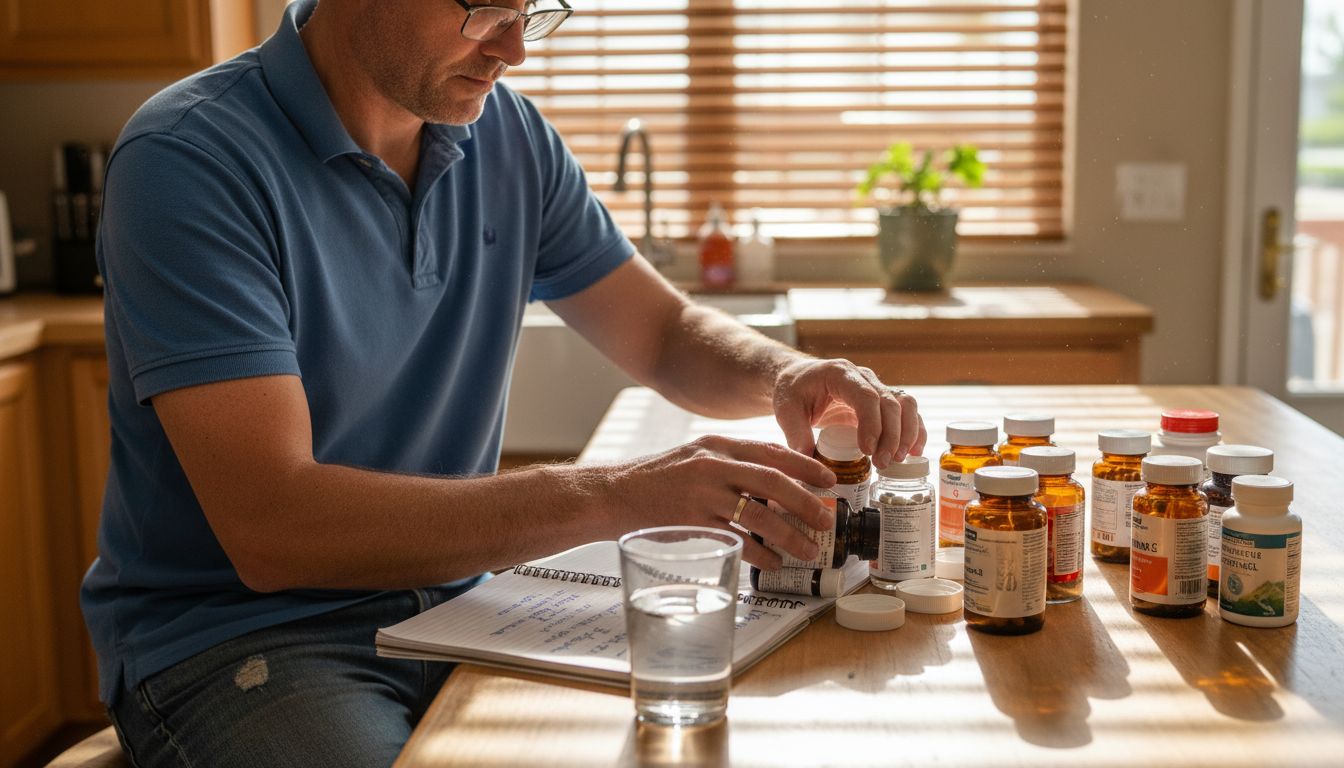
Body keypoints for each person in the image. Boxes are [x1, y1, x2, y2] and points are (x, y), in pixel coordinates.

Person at [83, 1, 927, 766]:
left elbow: (665, 335)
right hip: (241, 640)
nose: (515, 49)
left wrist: (787, 372)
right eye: (485, 7)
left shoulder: (508, 137)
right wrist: (620, 495)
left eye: (532, 9)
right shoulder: (189, 160)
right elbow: (276, 529)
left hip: (462, 604)